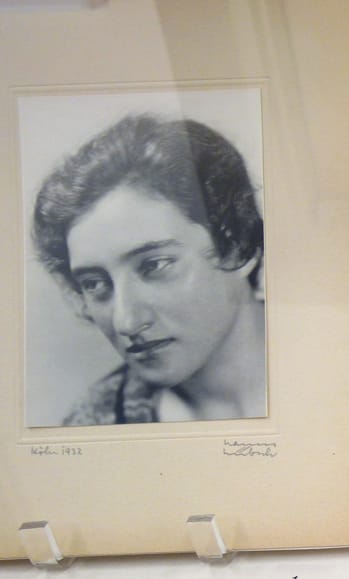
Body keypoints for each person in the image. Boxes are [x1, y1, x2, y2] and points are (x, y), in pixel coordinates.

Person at [32, 113, 266, 425]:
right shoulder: (93, 425)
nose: (126, 321)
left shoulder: (342, 357)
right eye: (95, 284)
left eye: (154, 265)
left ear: (237, 244)